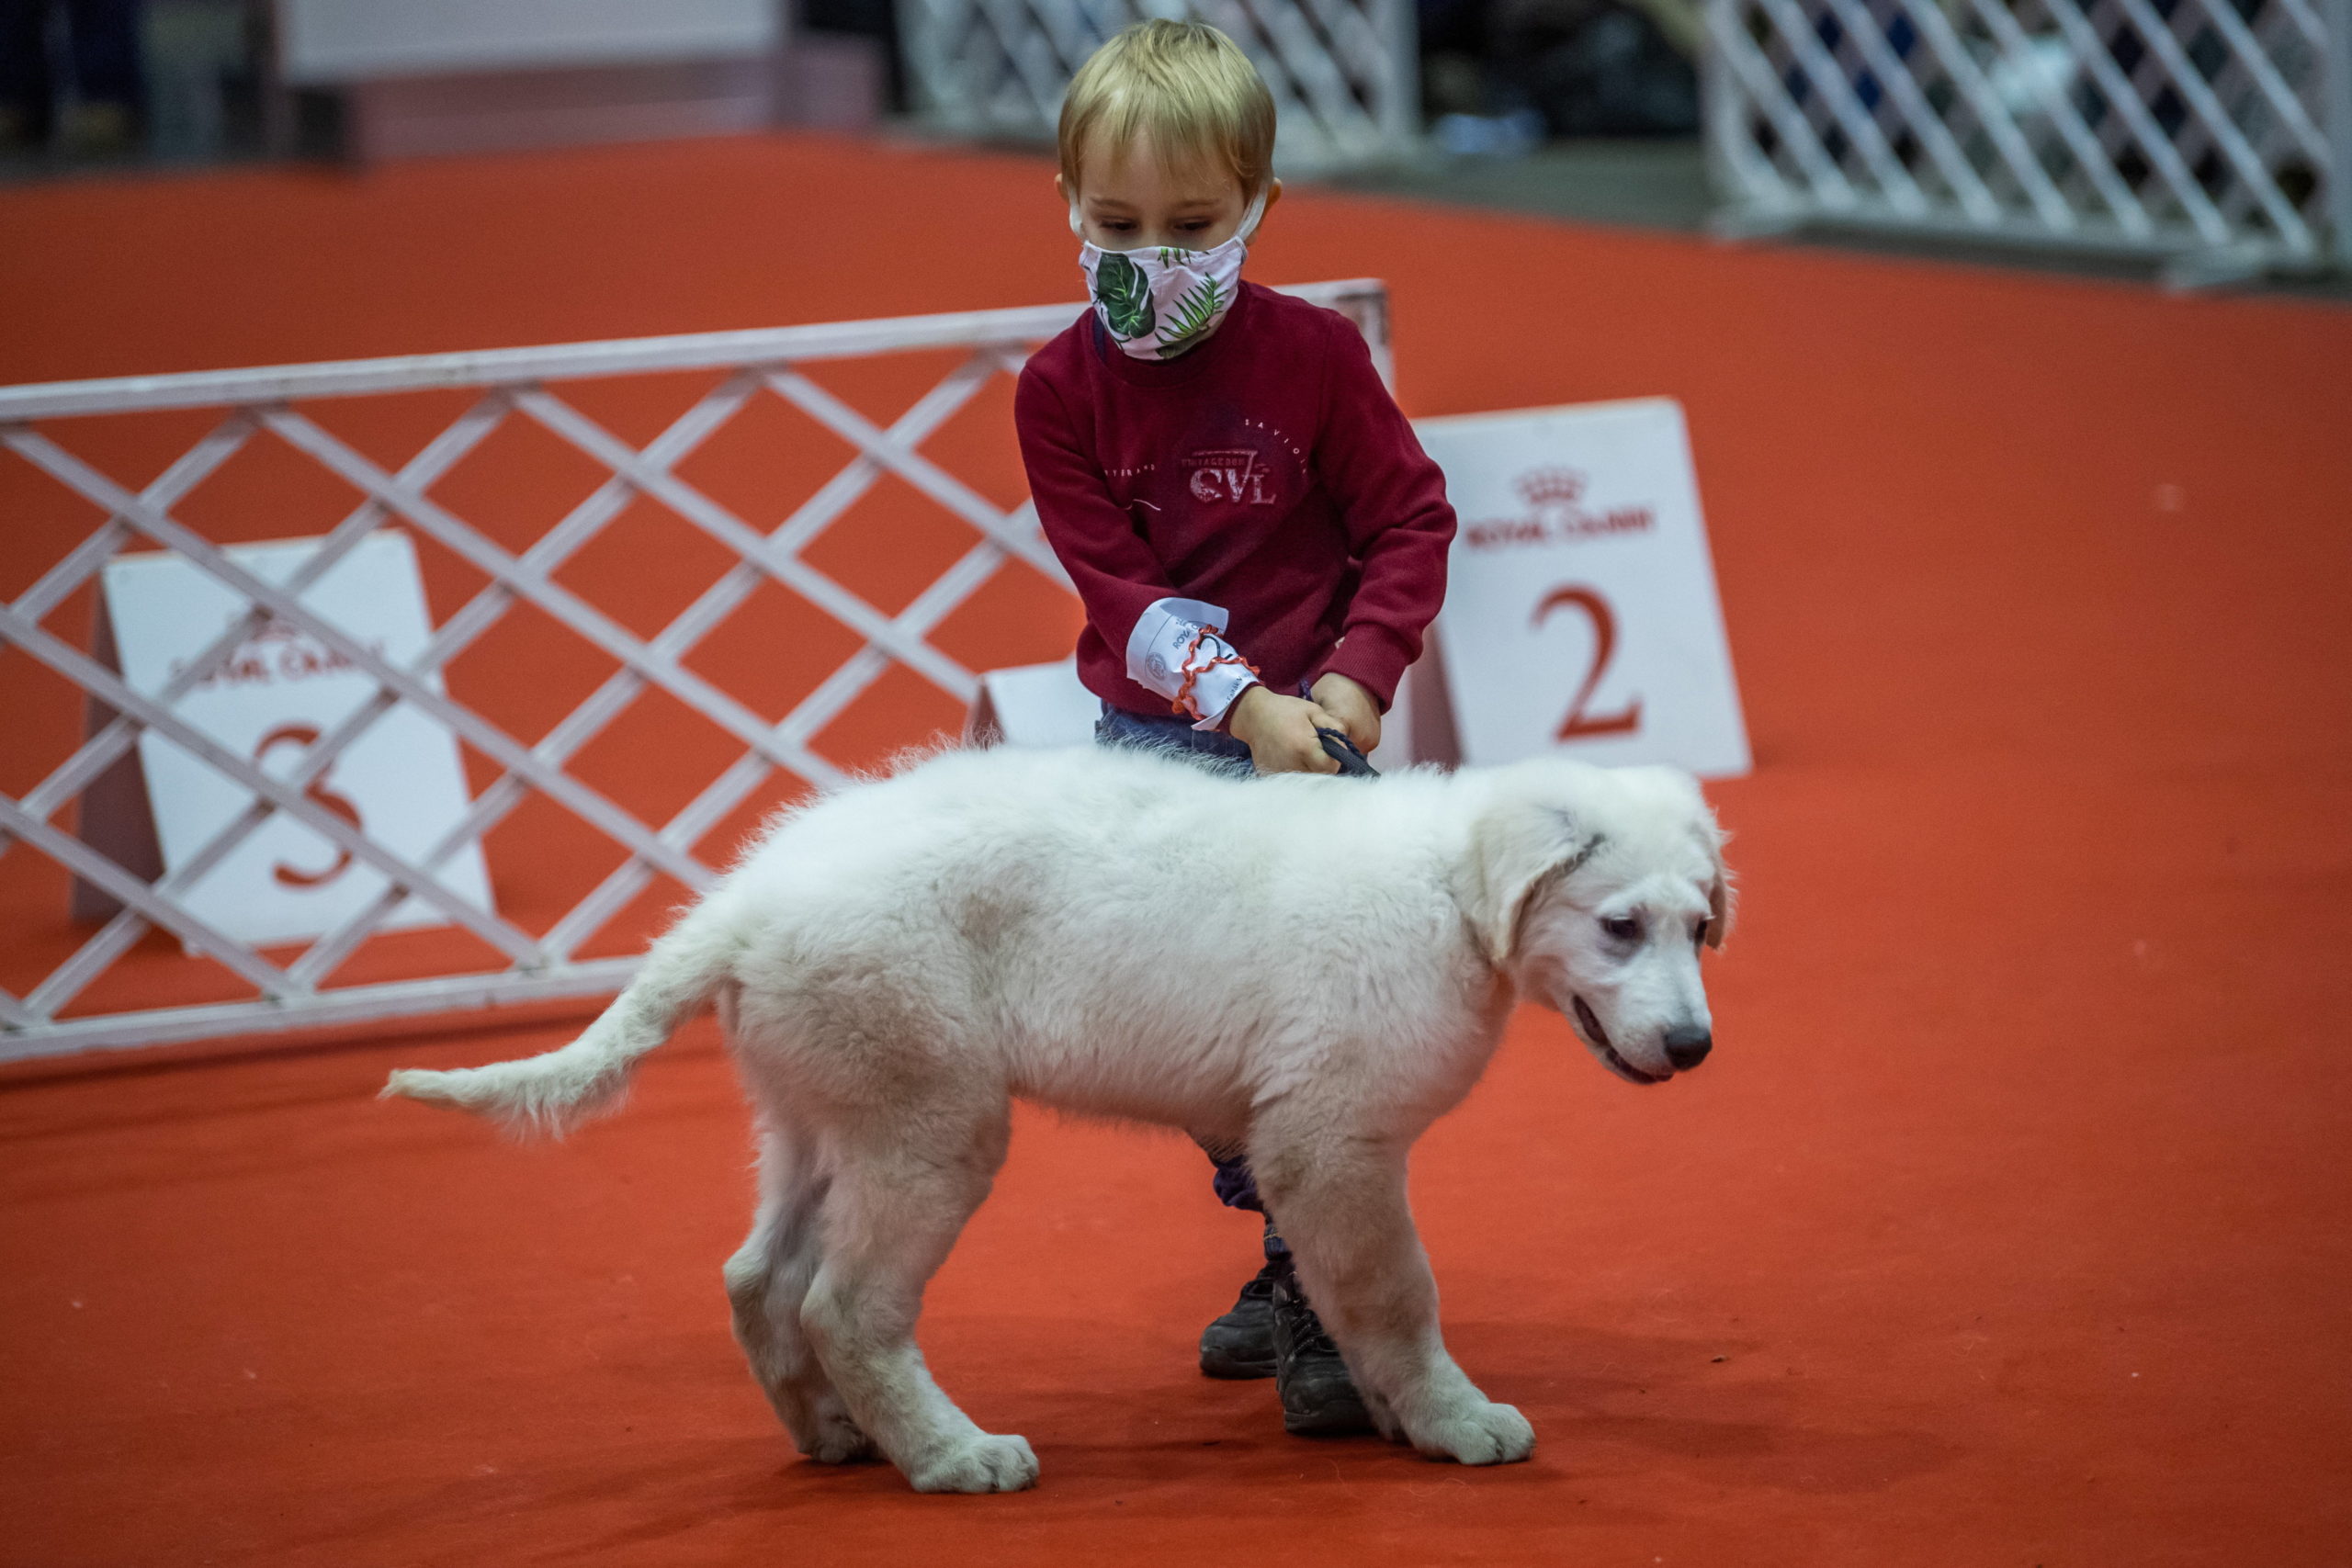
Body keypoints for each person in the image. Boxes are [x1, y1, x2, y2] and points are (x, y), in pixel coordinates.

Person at [1012, 18, 1457, 1437]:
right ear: (1068, 206)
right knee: (1190, 1057)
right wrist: (1240, 705)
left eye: (1193, 224)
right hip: (1155, 753)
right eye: (1118, 224)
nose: (1153, 255)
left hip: (1314, 746)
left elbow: (1410, 521)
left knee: (1313, 1047)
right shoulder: (1056, 391)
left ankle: (1318, 1289)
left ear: (1260, 205)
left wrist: (1355, 683)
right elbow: (1120, 591)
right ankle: (1292, 1245)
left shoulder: (1317, 356)